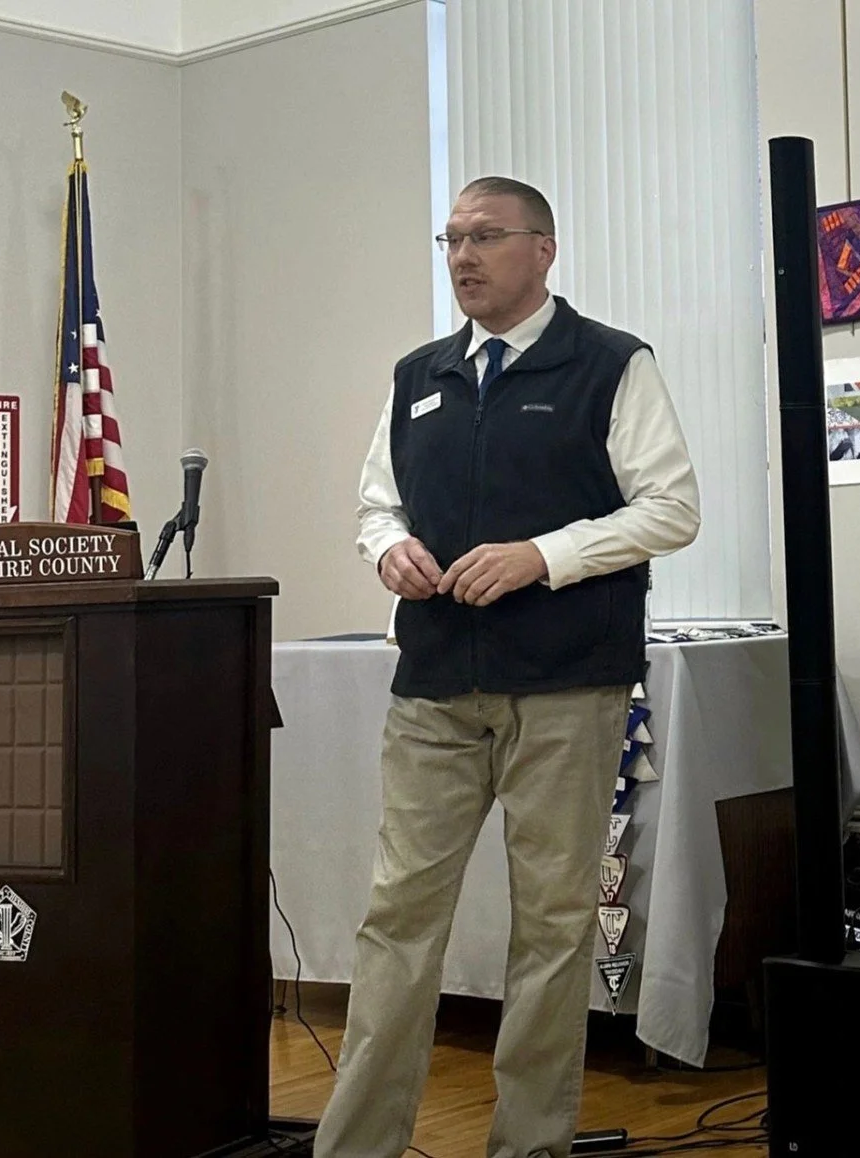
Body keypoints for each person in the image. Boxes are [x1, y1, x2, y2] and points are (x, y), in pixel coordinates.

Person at [313, 176, 701, 1158]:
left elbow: (669, 508)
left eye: (483, 236)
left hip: (568, 684)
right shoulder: (418, 375)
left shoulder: (609, 364)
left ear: (543, 248)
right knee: (395, 919)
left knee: (553, 928)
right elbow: (376, 505)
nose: (461, 257)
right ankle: (354, 1147)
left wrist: (543, 555)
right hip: (434, 687)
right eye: (448, 238)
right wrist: (385, 550)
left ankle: (527, 1147)